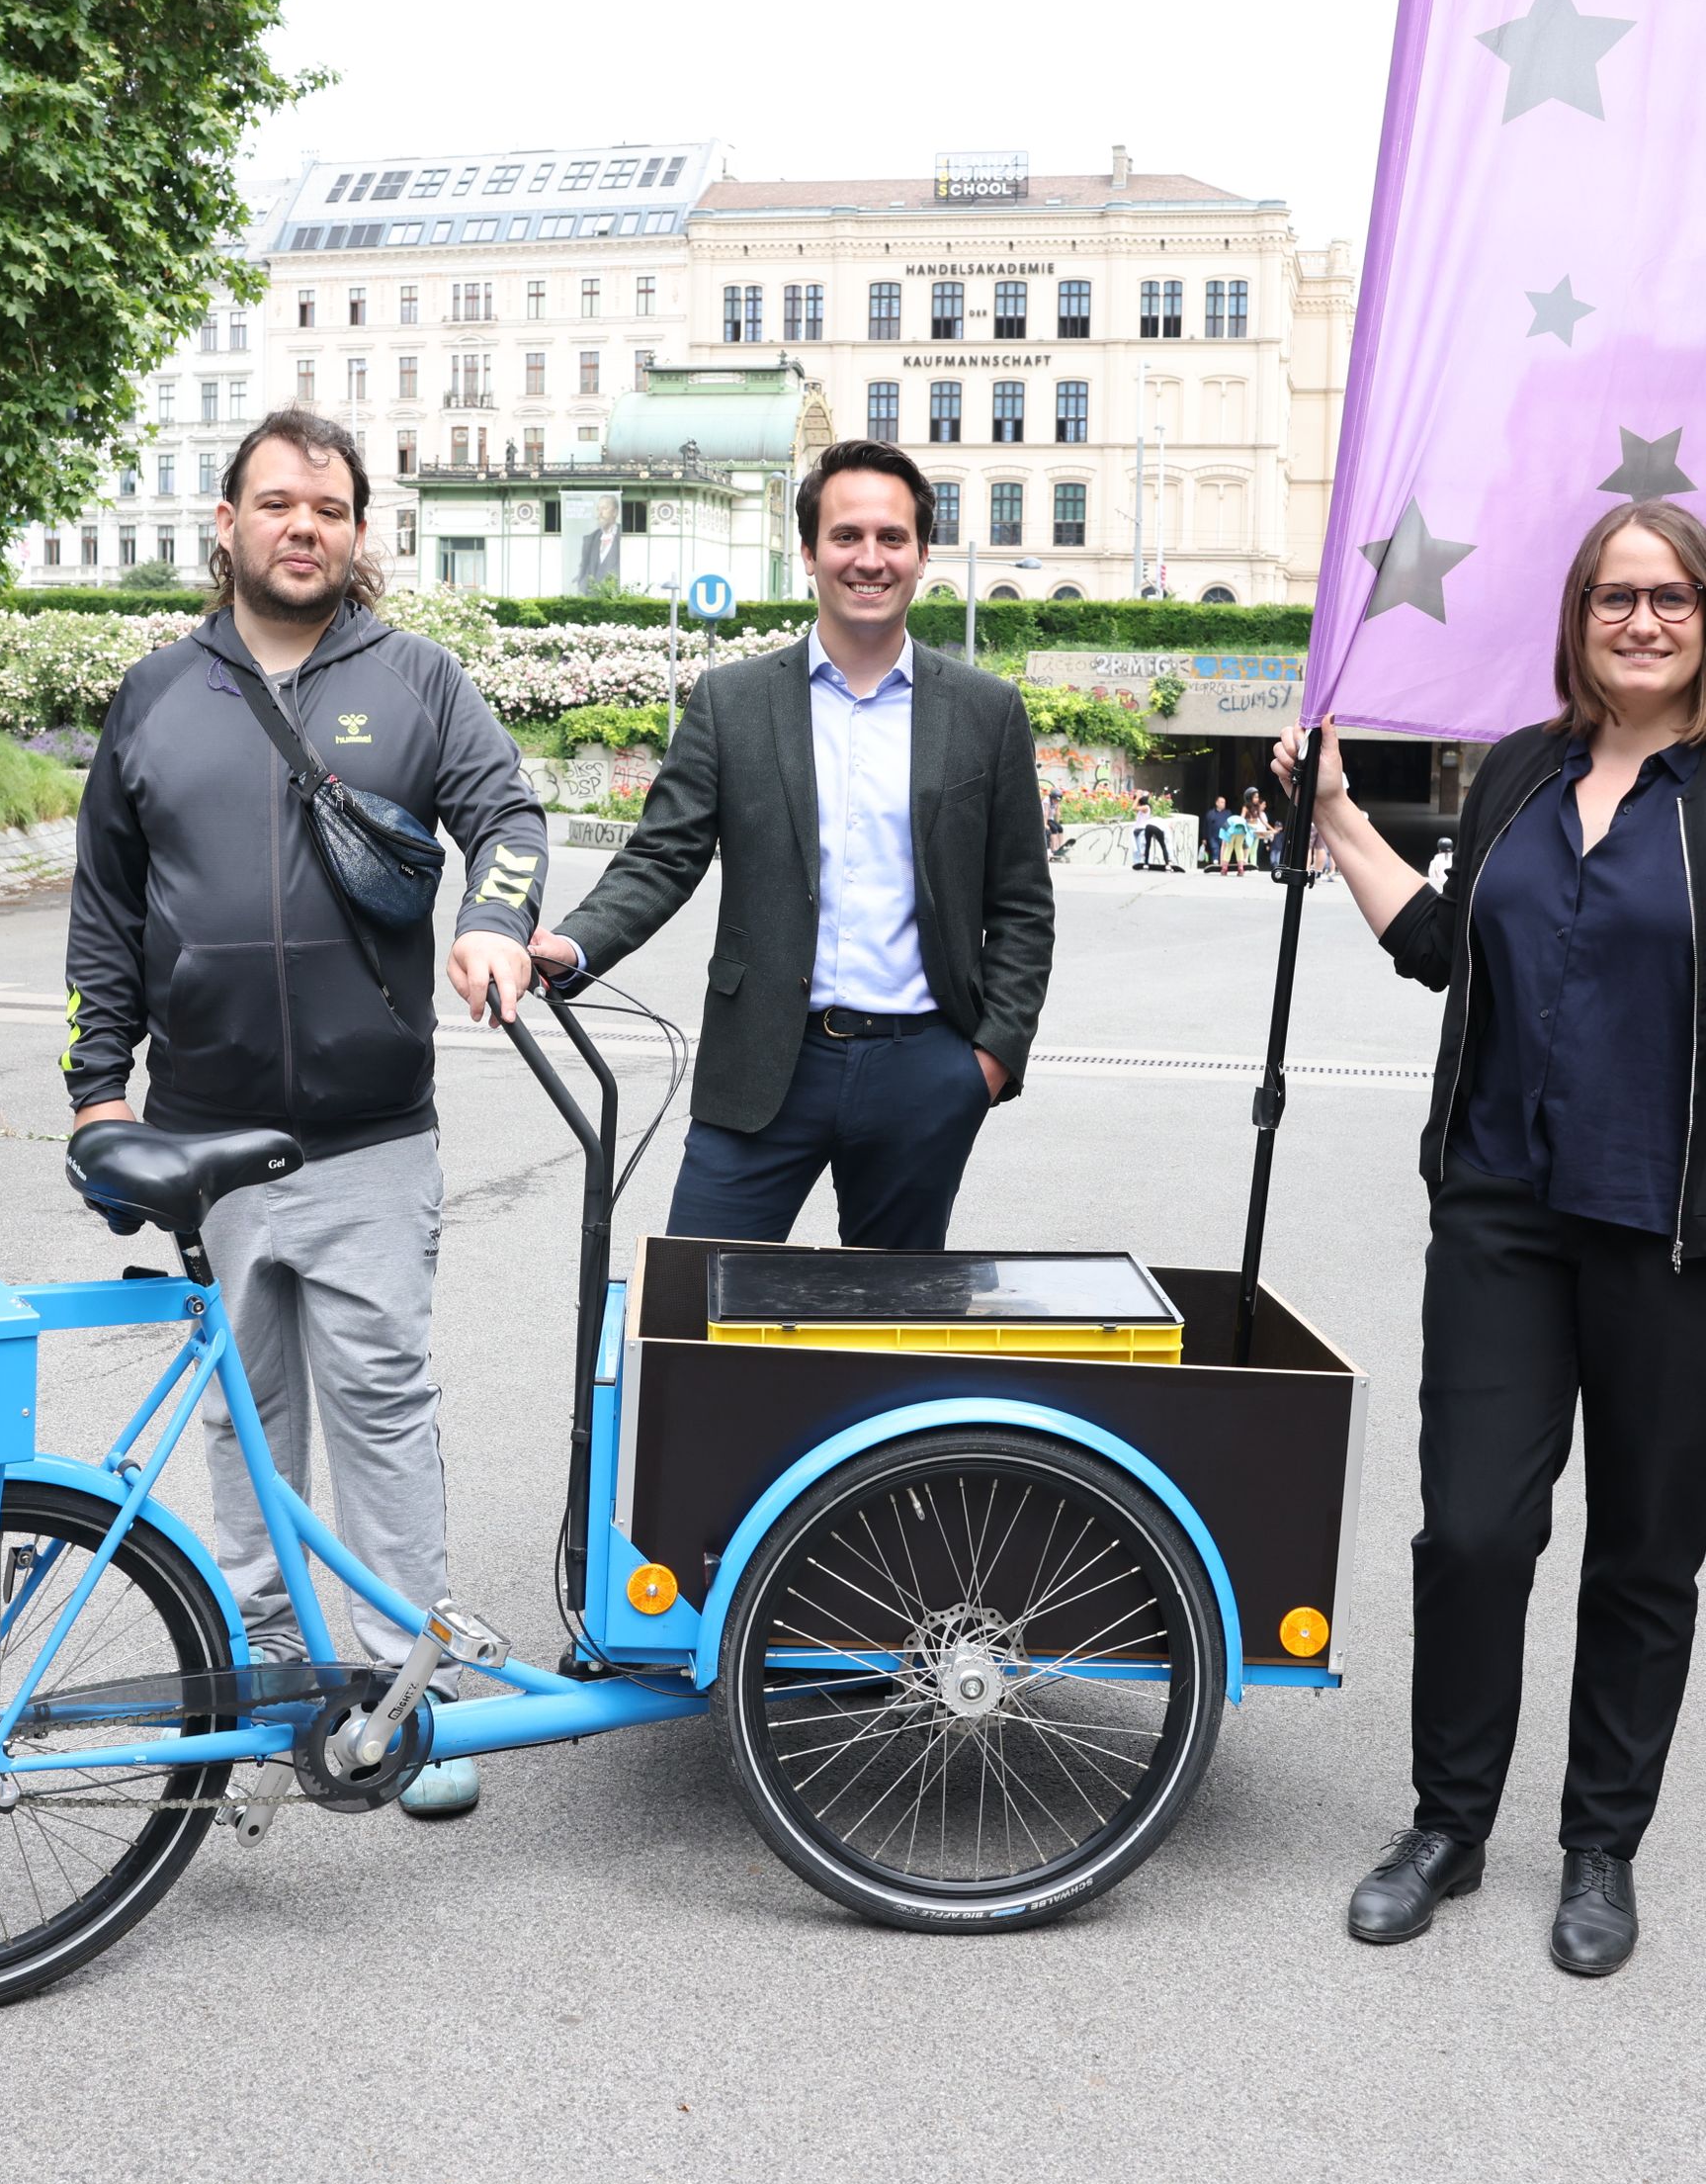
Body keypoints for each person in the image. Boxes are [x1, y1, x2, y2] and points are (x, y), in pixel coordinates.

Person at [1277, 498, 1706, 1975]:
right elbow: (1447, 954)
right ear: (1579, 618)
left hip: (1687, 1246)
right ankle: (1448, 1826)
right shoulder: (1518, 783)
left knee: (1643, 1555)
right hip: (1503, 1222)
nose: (1643, 622)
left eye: (1672, 599)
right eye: (1617, 598)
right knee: (1473, 1532)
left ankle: (1600, 1847)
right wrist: (1344, 822)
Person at [63, 406, 544, 1821]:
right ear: (226, 524)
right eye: (274, 504)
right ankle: (270, 1686)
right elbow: (104, 911)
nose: (300, 528)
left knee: (382, 1403)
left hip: (368, 1132)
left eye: (325, 508)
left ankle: (405, 1696)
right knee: (247, 1420)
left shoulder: (417, 682)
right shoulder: (157, 692)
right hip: (206, 1137)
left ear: (356, 530)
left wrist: (497, 926)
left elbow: (507, 818)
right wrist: (99, 1089)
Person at [532, 439, 1055, 1251]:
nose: (869, 559)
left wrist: (988, 1061)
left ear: (922, 554)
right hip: (762, 1060)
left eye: (891, 538)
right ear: (808, 551)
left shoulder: (986, 711)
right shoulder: (732, 701)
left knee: (886, 1336)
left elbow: (1021, 902)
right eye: (846, 537)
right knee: (698, 1316)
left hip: (924, 1069)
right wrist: (572, 944)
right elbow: (663, 855)